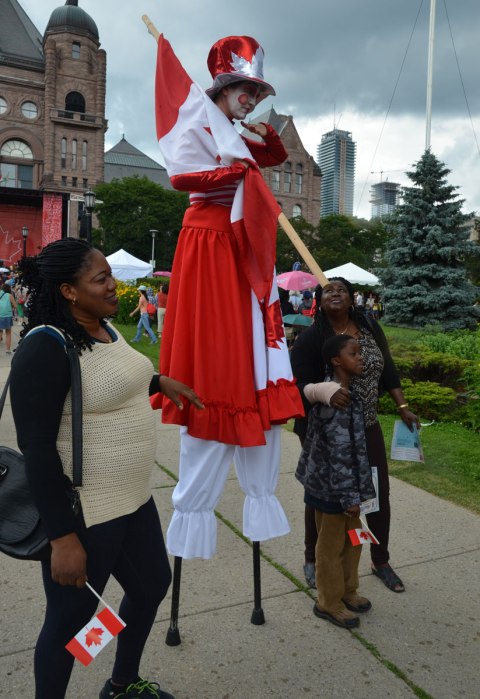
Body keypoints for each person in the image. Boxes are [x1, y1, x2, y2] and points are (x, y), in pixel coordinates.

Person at [9, 239, 203, 699]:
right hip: (84, 513)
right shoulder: (46, 347)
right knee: (70, 622)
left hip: (132, 499)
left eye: (109, 274)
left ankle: (121, 685)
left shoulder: (104, 329)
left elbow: (104, 381)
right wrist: (61, 538)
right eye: (100, 279)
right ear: (69, 291)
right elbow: (35, 447)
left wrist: (158, 381)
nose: (114, 285)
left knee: (152, 583)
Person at [155, 35, 304, 560]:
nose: (251, 97)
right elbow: (180, 175)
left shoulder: (238, 131)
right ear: (223, 87)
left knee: (250, 328)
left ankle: (252, 390)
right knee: (216, 334)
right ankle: (218, 393)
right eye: (245, 88)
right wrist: (233, 168)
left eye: (256, 90)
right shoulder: (197, 121)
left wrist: (257, 139)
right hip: (210, 239)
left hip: (245, 239)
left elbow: (276, 155)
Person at [290, 277, 419, 592]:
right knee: (321, 495)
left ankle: (381, 560)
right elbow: (295, 386)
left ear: (352, 300)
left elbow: (387, 368)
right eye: (327, 290)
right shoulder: (311, 338)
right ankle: (312, 558)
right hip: (324, 430)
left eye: (341, 290)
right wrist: (325, 392)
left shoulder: (371, 330)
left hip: (367, 424)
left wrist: (401, 405)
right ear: (319, 302)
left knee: (377, 492)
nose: (334, 293)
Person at [296, 334, 375, 629]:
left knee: (353, 542)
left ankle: (348, 590)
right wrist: (350, 497)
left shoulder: (345, 391)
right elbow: (339, 454)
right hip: (333, 490)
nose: (360, 358)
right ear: (336, 361)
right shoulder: (334, 399)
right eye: (353, 354)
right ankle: (328, 601)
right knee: (330, 547)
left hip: (348, 488)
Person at [0, 283, 17, 353]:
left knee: (0, 332)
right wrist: (11, 308)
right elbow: (15, 306)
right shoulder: (9, 295)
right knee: (8, 333)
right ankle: (8, 350)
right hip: (7, 316)